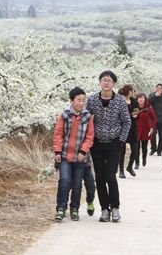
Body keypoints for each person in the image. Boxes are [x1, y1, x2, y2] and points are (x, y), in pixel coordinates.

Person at [85, 70, 131, 223]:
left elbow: (127, 122)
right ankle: (105, 209)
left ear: (114, 84)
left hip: (114, 143)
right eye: (104, 80)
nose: (106, 82)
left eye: (109, 80)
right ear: (99, 82)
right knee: (99, 177)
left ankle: (115, 207)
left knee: (110, 176)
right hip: (96, 144)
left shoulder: (119, 101)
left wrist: (121, 140)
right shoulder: (91, 100)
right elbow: (85, 119)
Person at [53, 87, 95, 221]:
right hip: (65, 155)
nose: (81, 103)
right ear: (72, 101)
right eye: (79, 100)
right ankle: (61, 208)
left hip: (80, 157)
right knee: (64, 180)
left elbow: (90, 136)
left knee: (77, 184)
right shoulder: (64, 115)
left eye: (84, 100)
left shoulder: (87, 117)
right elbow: (58, 134)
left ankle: (75, 208)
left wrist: (83, 151)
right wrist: (57, 151)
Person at [117, 84, 139, 178]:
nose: (133, 92)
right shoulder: (120, 101)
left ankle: (129, 167)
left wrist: (136, 114)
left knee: (135, 149)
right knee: (122, 151)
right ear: (128, 91)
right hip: (123, 128)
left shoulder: (133, 101)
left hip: (133, 127)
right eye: (132, 90)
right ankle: (121, 170)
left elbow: (136, 109)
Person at [134, 92, 157, 167]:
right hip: (136, 129)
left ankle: (144, 158)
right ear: (137, 99)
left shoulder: (148, 107)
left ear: (145, 99)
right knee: (136, 147)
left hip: (145, 129)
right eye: (139, 98)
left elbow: (153, 118)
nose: (141, 99)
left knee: (144, 147)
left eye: (142, 98)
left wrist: (152, 127)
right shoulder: (135, 107)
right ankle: (137, 162)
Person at [148, 83, 162, 156]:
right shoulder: (151, 95)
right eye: (157, 88)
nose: (159, 89)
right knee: (153, 134)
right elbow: (148, 103)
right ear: (155, 89)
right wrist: (154, 96)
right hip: (153, 119)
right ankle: (153, 148)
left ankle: (159, 150)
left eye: (160, 88)